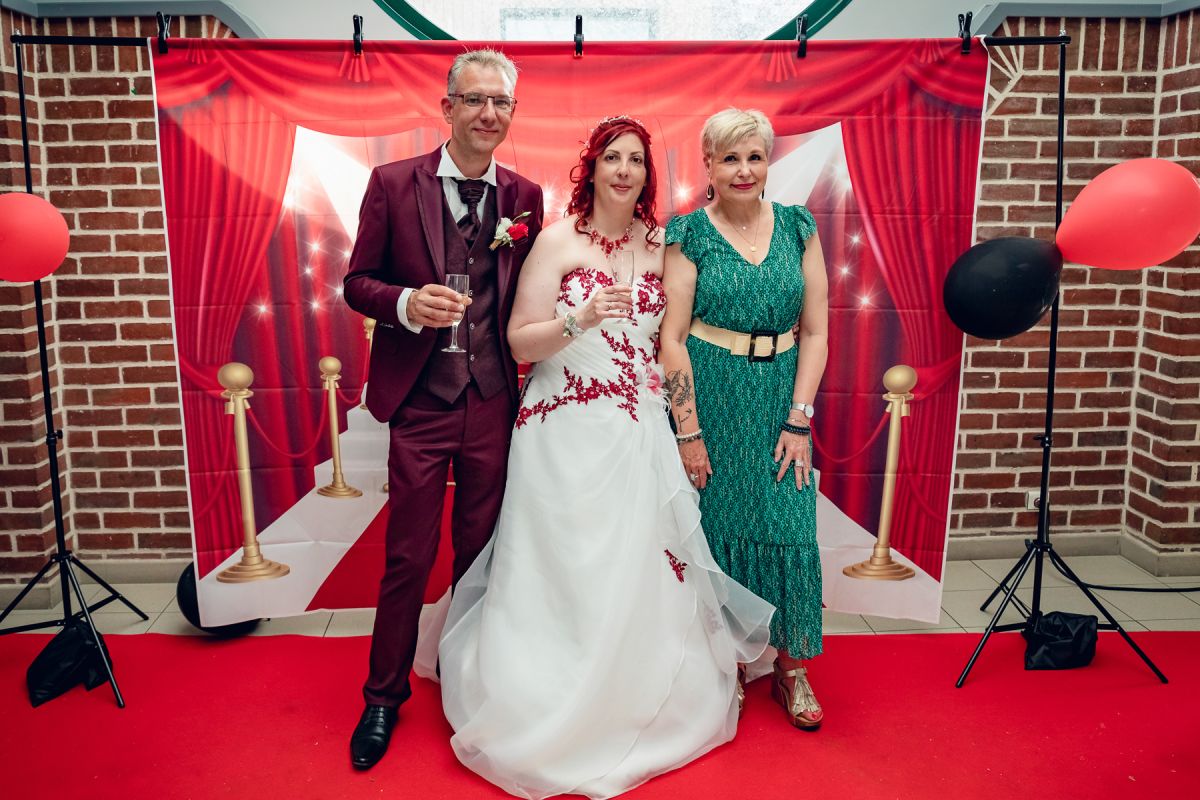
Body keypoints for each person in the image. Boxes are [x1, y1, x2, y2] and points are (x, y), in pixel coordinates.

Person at [426, 116, 773, 799]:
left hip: (639, 429)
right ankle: (542, 689)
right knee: (565, 565)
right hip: (562, 430)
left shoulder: (662, 244)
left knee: (637, 563)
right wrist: (579, 319)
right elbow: (519, 344)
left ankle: (641, 689)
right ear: (592, 167)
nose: (624, 170)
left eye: (636, 160)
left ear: (648, 175)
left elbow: (673, 340)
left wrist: (688, 424)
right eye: (613, 157)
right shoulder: (558, 240)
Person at [342, 48, 545, 770]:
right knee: (408, 553)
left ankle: (471, 681)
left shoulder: (525, 196)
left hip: (493, 400)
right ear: (448, 107)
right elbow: (356, 283)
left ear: (512, 113)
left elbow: (528, 296)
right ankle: (382, 696)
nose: (488, 113)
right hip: (422, 402)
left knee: (483, 554)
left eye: (501, 102)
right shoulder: (393, 184)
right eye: (475, 99)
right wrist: (404, 302)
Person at [659, 108, 830, 730]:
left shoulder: (799, 227)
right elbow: (672, 338)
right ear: (708, 164)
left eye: (755, 157)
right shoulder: (688, 234)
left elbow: (816, 331)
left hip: (782, 394)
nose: (743, 170)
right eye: (729, 158)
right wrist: (689, 431)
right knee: (717, 528)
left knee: (790, 525)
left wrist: (799, 418)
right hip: (712, 393)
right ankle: (724, 663)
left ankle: (790, 668)